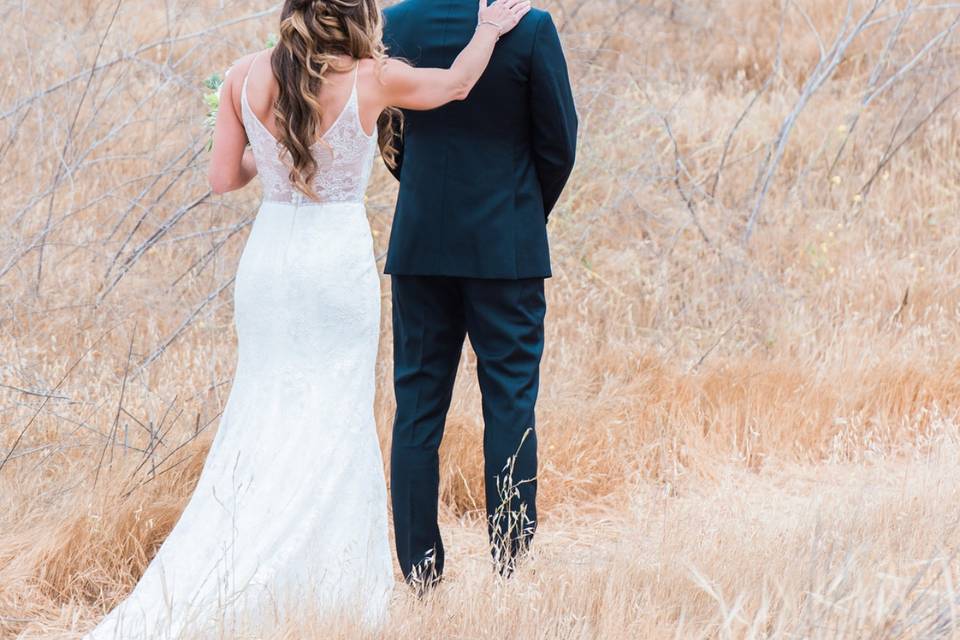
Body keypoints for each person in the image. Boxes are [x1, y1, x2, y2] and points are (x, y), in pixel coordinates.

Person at [83, 0, 530, 637]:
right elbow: (457, 83)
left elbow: (222, 177)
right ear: (358, 16)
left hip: (268, 265)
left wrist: (249, 134)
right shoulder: (375, 78)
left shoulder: (241, 76)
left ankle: (234, 559)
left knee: (260, 408)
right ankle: (322, 587)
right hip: (332, 265)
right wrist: (488, 28)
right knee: (335, 412)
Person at [382, 0, 578, 590]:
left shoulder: (392, 24)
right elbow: (558, 143)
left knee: (416, 409)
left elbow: (392, 138)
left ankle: (419, 575)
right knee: (510, 404)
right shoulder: (531, 26)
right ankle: (510, 568)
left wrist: (425, 197)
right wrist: (518, 215)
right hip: (505, 252)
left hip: (420, 247)